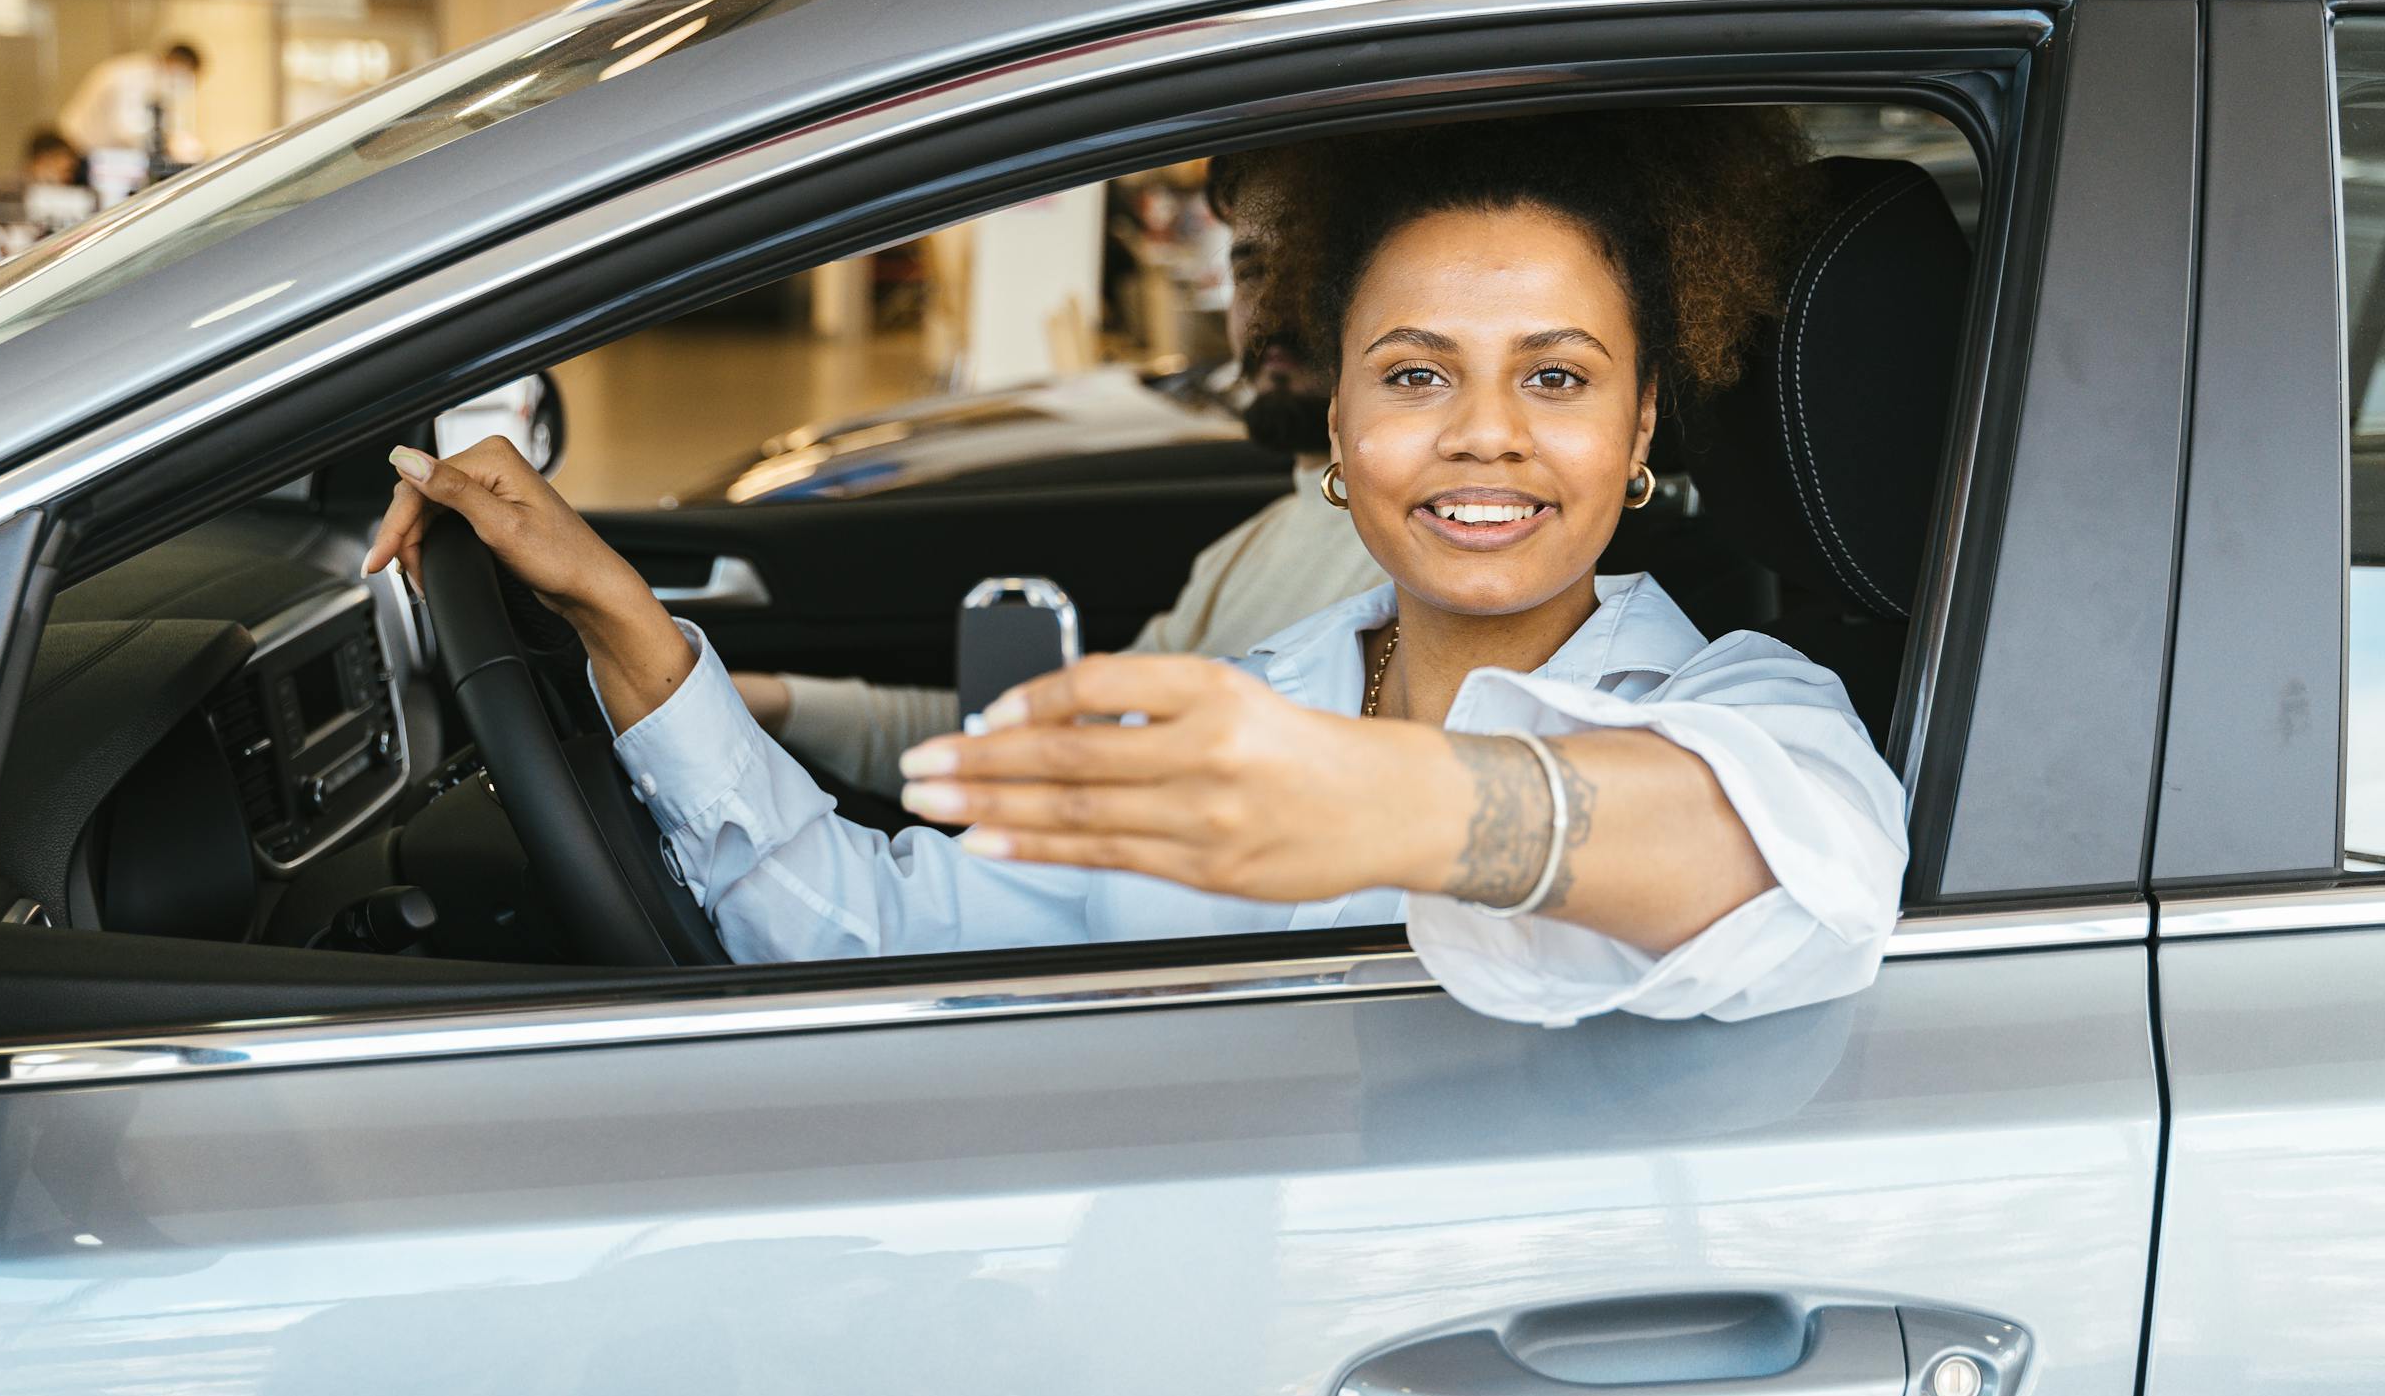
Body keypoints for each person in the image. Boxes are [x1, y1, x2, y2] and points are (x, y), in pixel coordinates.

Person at [365, 110, 1908, 1027]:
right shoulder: (1254, 695)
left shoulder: (1737, 698)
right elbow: (872, 927)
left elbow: (1801, 862)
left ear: (1643, 415)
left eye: (1558, 379)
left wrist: (1391, 798)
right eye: (1419, 374)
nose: (1485, 437)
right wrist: (623, 622)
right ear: (1340, 412)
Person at [729, 143, 1383, 798]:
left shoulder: (1396, 565)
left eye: (1312, 273)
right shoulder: (1246, 550)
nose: (1273, 316)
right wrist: (778, 703)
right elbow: (1051, 739)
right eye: (1251, 272)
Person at [58, 42, 204, 179]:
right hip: (78, 151)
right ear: (175, 63)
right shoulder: (131, 75)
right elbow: (125, 128)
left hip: (102, 156)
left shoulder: (151, 79)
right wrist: (170, 144)